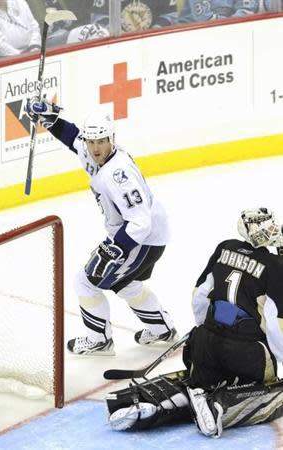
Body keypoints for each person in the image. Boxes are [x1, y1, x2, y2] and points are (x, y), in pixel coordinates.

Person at [105, 207, 283, 437]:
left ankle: (140, 402)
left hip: (204, 342)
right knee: (269, 391)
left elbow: (199, 295)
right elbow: (275, 323)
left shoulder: (224, 248)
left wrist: (208, 330)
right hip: (246, 353)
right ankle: (218, 407)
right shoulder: (275, 267)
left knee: (199, 381)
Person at [25, 97, 177, 355]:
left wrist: (114, 249)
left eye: (101, 142)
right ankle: (162, 329)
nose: (95, 148)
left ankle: (99, 339)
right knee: (126, 284)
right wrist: (49, 120)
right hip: (150, 235)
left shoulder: (119, 175)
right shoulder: (98, 152)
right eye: (91, 142)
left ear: (111, 139)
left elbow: (140, 222)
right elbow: (74, 138)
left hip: (143, 238)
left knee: (85, 282)